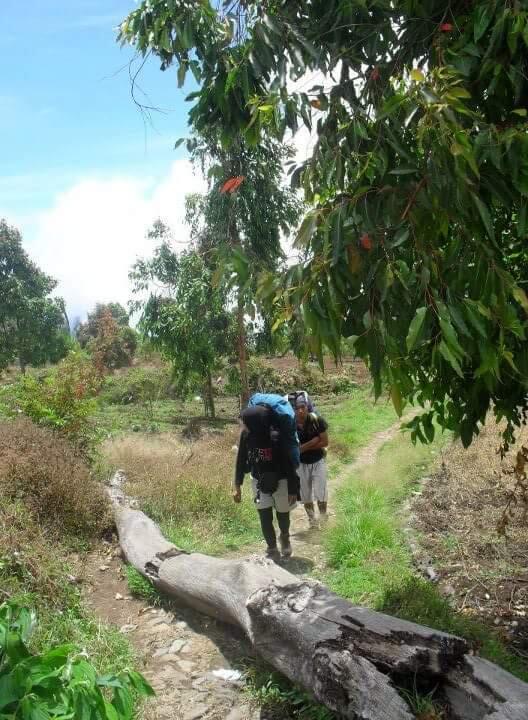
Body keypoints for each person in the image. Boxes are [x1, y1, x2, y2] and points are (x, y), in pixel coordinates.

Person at [233, 405, 299, 561]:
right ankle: (271, 547)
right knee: (264, 515)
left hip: (281, 480)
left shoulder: (276, 436)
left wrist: (292, 489)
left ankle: (284, 537)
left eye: (246, 422)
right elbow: (241, 460)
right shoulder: (246, 436)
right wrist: (237, 486)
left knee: (283, 514)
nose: (244, 425)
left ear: (256, 421)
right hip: (258, 481)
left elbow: (288, 463)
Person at [294, 394, 329, 528]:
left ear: (307, 408)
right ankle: (313, 523)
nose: (300, 411)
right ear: (294, 409)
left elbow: (325, 441)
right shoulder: (291, 424)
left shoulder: (316, 420)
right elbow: (294, 448)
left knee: (321, 492)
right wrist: (313, 441)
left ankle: (324, 520)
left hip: (317, 461)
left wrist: (303, 447)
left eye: (303, 407)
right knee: (306, 495)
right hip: (301, 465)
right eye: (297, 408)